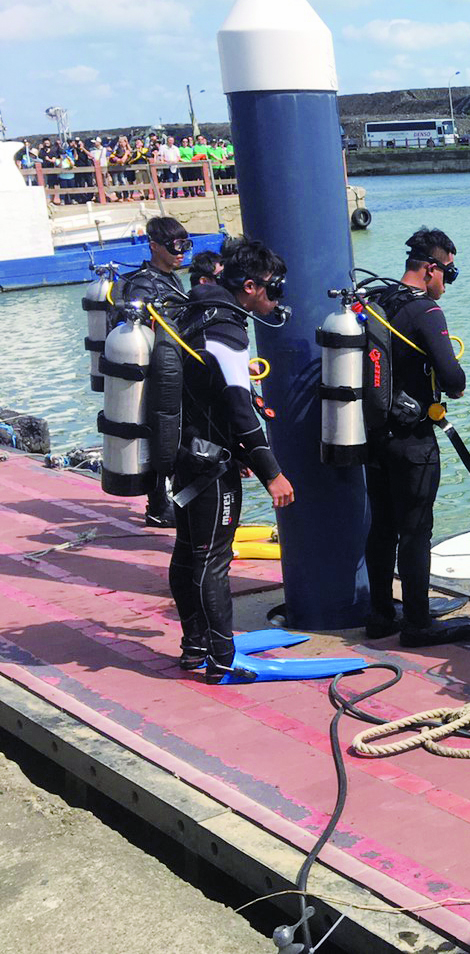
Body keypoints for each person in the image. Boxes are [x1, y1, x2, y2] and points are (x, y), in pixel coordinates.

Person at [170, 238, 294, 681]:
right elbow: (240, 409)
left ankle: (195, 647)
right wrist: (272, 473)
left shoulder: (195, 308)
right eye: (273, 288)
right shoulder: (228, 328)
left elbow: (207, 396)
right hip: (211, 467)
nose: (277, 297)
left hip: (187, 454)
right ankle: (223, 660)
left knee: (188, 554)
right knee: (211, 560)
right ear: (249, 286)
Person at [362, 228, 468, 646]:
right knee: (416, 530)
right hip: (413, 440)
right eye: (450, 274)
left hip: (374, 436)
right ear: (431, 268)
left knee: (382, 527)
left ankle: (381, 614)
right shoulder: (425, 312)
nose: (448, 283)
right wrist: (456, 385)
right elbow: (452, 376)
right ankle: (418, 623)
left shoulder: (379, 301)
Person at [116, 216, 192, 527]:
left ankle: (173, 501)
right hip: (152, 374)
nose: (181, 253)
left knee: (175, 433)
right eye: (175, 246)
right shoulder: (143, 283)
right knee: (159, 435)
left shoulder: (172, 278)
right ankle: (159, 506)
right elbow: (134, 329)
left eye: (185, 245)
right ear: (154, 246)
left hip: (173, 368)